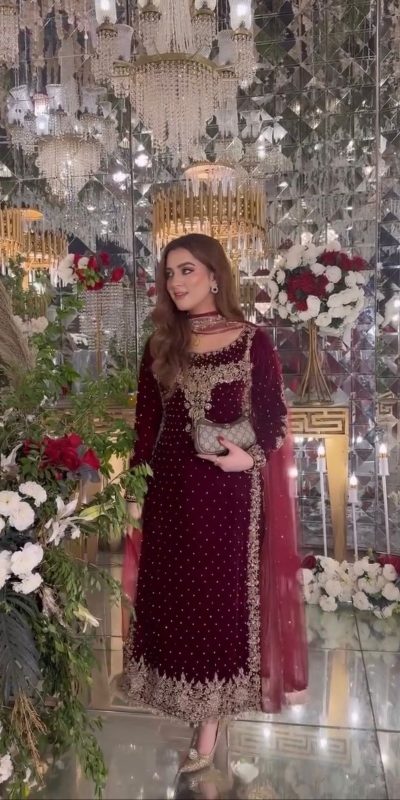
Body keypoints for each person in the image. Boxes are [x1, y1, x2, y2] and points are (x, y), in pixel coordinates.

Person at [123, 233, 308, 774]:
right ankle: (186, 696)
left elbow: (273, 417)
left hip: (227, 497)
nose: (176, 282)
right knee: (176, 598)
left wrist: (248, 460)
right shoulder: (161, 344)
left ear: (214, 275)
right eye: (170, 273)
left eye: (187, 270)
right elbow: (146, 426)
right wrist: (136, 489)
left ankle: (210, 721)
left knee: (218, 601)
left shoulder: (252, 342)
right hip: (170, 493)